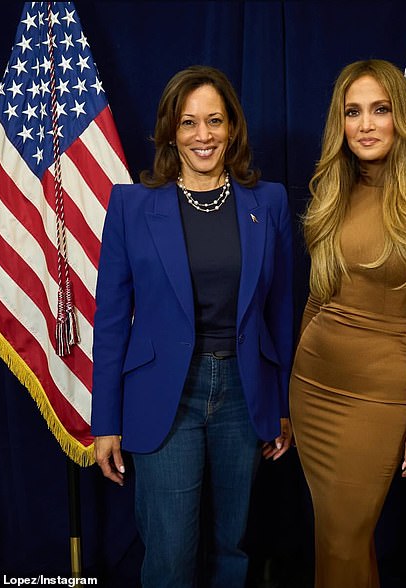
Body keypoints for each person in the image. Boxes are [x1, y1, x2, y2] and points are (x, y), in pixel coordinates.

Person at [91, 65, 294, 588]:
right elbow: (111, 321)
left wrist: (282, 407)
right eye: (188, 123)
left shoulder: (267, 202)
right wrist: (105, 421)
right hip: (165, 395)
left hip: (243, 396)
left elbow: (279, 311)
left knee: (234, 546)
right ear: (170, 131)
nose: (203, 136)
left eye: (214, 121)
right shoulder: (132, 205)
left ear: (232, 128)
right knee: (170, 554)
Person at [289, 59, 406, 588]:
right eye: (353, 112)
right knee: (335, 540)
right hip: (310, 389)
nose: (366, 125)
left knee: (345, 538)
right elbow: (314, 300)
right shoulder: (332, 191)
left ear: (401, 118)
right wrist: (287, 396)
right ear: (340, 124)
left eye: (380, 110)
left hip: (376, 401)